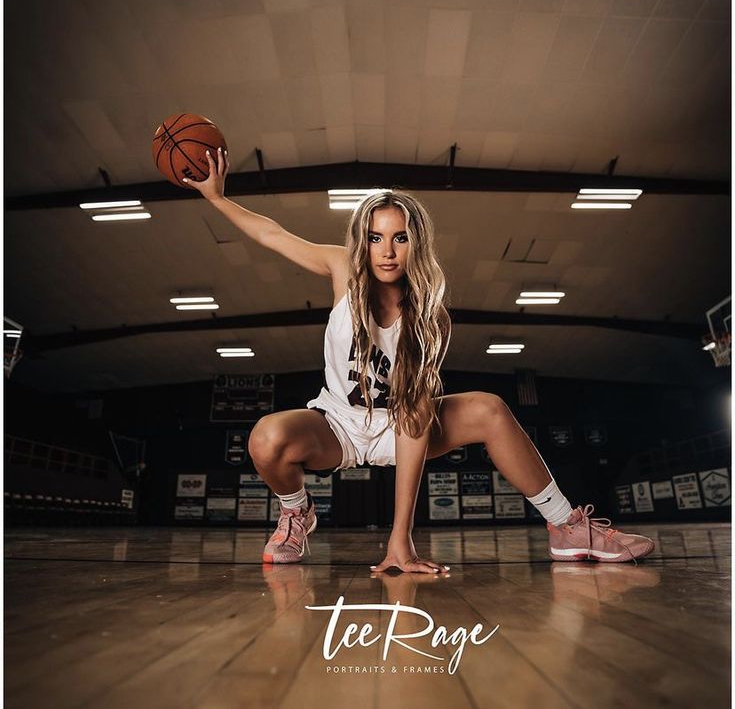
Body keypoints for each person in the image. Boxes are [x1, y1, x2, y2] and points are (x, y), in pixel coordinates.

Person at [184, 148, 656, 572]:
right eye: (375, 238)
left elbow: (414, 418)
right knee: (266, 438)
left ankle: (566, 527)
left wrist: (399, 540)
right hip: (339, 424)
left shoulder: (429, 316)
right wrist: (217, 198)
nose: (386, 251)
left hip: (404, 427)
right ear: (361, 241)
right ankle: (296, 512)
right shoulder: (343, 270)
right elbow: (272, 234)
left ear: (417, 242)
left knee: (489, 408)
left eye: (400, 238)